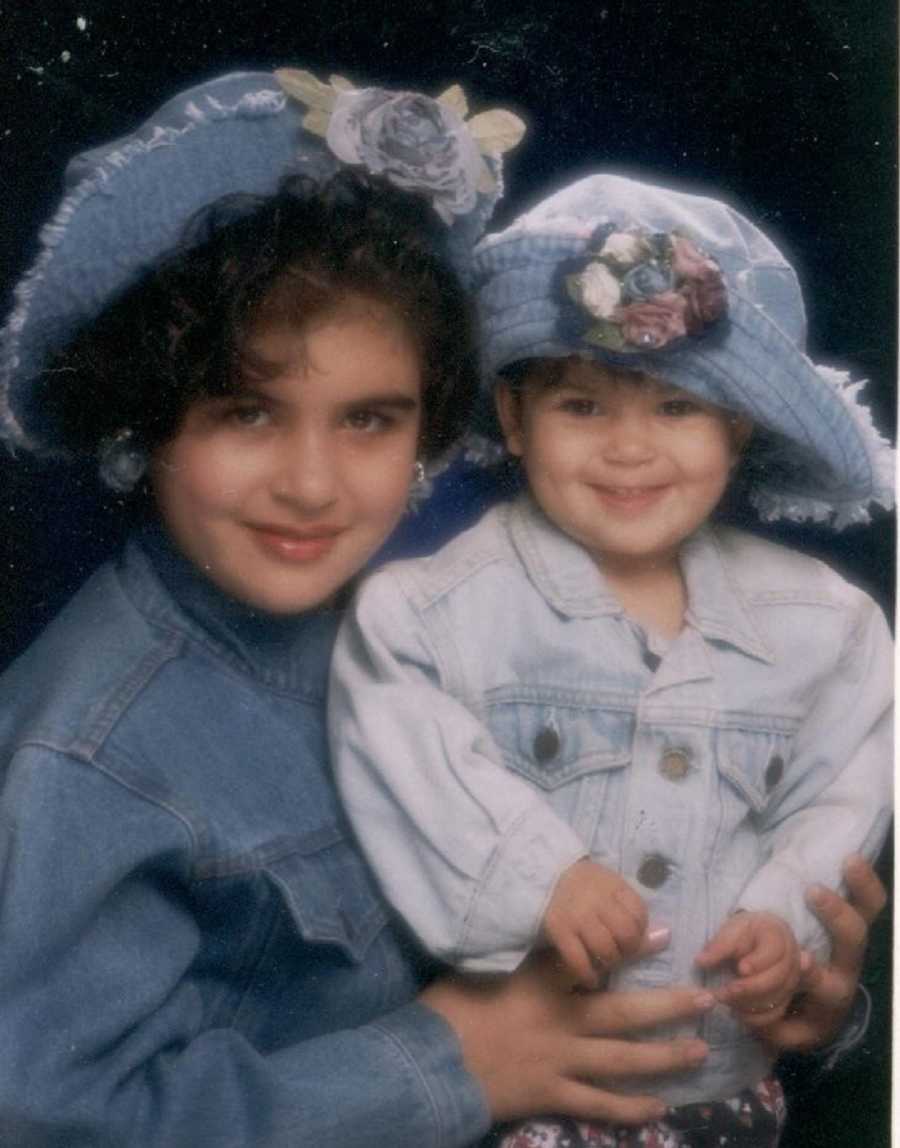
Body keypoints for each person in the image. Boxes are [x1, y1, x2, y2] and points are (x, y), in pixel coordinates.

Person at [0, 74, 885, 1146]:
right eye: (247, 409)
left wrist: (803, 1012)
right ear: (149, 412)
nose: (314, 485)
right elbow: (48, 1120)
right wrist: (452, 1060)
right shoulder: (90, 751)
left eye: (370, 418)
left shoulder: (433, 611)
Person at [329, 173, 894, 1146]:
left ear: (738, 428)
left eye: (677, 409)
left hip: (731, 1095)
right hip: (530, 1105)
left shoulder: (826, 623)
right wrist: (539, 874)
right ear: (514, 419)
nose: (630, 448)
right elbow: (409, 745)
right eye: (583, 406)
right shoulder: (430, 613)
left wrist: (785, 922)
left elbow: (846, 787)